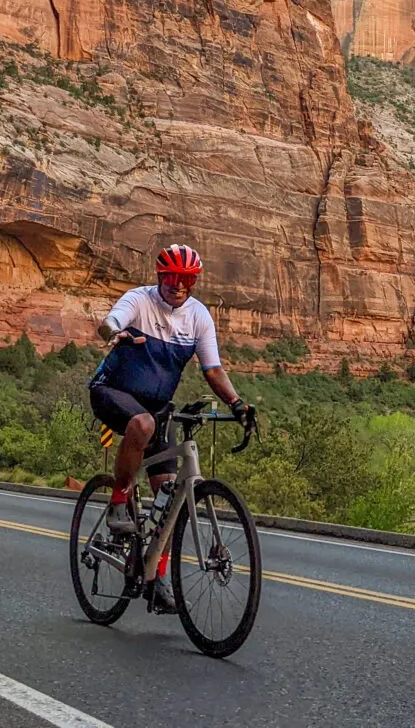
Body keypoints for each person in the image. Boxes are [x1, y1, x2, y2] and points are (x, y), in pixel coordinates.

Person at [89, 243, 255, 613]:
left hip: (157, 408)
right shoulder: (140, 300)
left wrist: (237, 404)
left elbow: (212, 370)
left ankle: (156, 579)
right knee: (142, 423)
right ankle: (119, 503)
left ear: (194, 282)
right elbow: (112, 320)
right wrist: (112, 331)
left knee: (170, 499)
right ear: (159, 277)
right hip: (111, 392)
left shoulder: (198, 316)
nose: (178, 285)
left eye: (187, 279)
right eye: (171, 277)